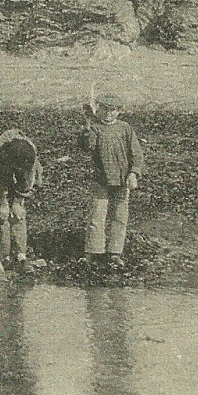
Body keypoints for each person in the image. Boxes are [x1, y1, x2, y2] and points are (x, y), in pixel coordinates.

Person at [78, 93, 144, 270]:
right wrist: (87, 127)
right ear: (98, 109)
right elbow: (86, 146)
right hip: (101, 180)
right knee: (97, 216)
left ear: (119, 111)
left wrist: (134, 173)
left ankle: (115, 253)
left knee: (119, 217)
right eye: (105, 109)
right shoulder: (95, 128)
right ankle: (93, 252)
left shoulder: (125, 128)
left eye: (112, 110)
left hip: (122, 180)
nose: (108, 113)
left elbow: (136, 154)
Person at [0, 128, 43, 272]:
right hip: (1, 166)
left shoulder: (30, 154)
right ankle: (4, 256)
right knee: (3, 216)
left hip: (23, 163)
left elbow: (28, 182)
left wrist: (17, 202)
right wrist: (3, 204)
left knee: (18, 214)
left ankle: (21, 255)